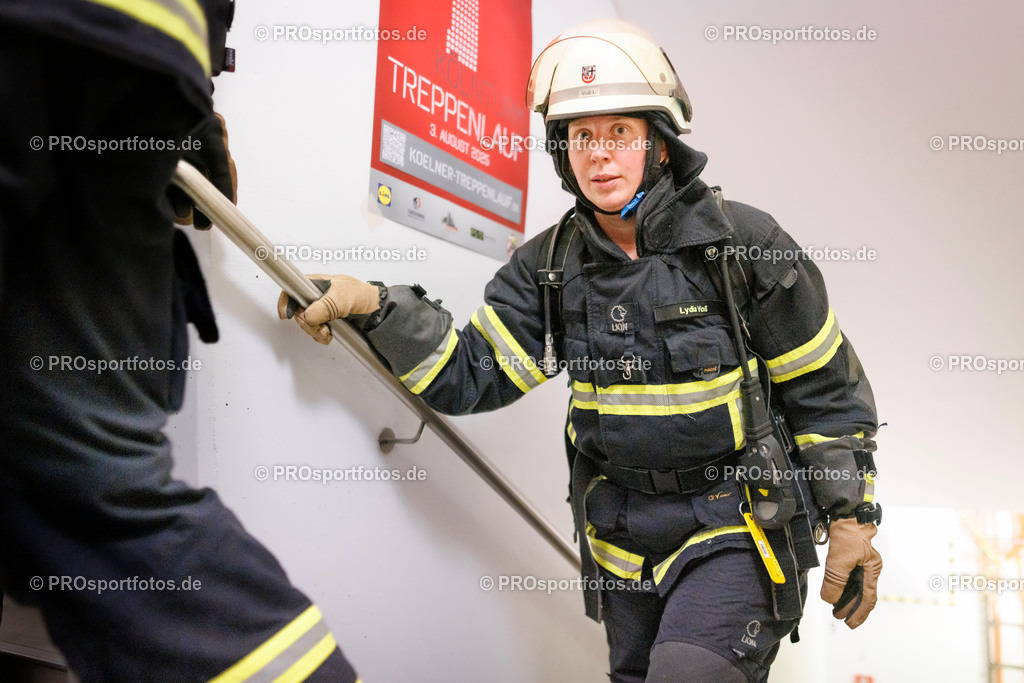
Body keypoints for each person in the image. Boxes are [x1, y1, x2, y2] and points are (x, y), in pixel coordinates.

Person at [280, 19, 881, 683]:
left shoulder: (743, 243)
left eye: (619, 132)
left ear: (658, 142)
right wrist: (373, 303)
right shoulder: (551, 266)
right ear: (562, 150)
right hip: (621, 544)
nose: (599, 154)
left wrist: (852, 517)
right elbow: (469, 374)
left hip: (736, 529)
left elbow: (822, 387)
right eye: (581, 135)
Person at [0, 1, 360, 680]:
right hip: (151, 50)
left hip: (59, 33)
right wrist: (182, 104)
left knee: (84, 473)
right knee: (92, 472)